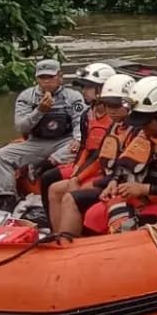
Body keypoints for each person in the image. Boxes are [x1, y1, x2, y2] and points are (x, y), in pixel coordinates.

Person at [54, 77, 157, 236]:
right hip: (148, 197)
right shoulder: (148, 132)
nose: (141, 128)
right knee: (93, 217)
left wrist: (144, 189)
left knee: (122, 223)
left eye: (145, 122)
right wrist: (115, 181)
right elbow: (126, 164)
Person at [0, 59, 87, 213]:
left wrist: (78, 139)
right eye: (42, 78)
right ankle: (6, 198)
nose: (46, 81)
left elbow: (79, 122)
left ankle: (47, 165)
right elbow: (21, 126)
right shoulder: (27, 97)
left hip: (64, 141)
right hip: (36, 142)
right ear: (36, 79)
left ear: (60, 77)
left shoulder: (73, 96)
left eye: (50, 77)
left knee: (79, 149)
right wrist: (39, 111)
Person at [40, 63, 119, 218]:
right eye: (83, 87)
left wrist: (78, 177)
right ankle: (53, 228)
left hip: (102, 167)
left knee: (66, 189)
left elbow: (100, 154)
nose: (84, 92)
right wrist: (76, 172)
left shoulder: (115, 119)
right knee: (48, 178)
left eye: (88, 87)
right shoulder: (87, 115)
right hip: (87, 162)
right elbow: (84, 146)